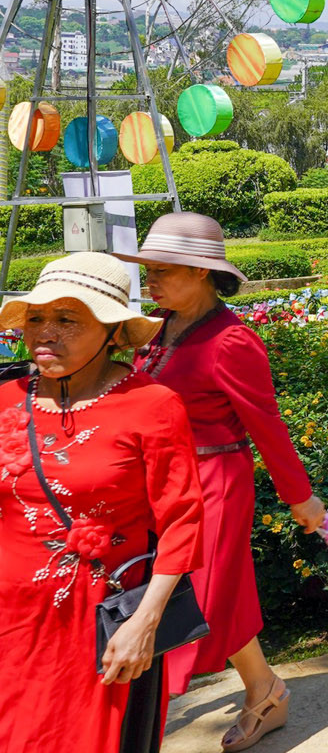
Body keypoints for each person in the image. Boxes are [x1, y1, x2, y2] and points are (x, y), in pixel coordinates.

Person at [115, 214, 327, 752]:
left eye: (163, 271)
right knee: (211, 594)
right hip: (163, 482)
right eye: (149, 270)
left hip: (216, 481)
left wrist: (301, 498)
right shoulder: (160, 328)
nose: (151, 281)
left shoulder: (233, 342)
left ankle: (133, 719)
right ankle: (265, 689)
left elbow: (267, 427)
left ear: (203, 273)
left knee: (190, 596)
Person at [0, 253, 204, 753]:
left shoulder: (152, 405)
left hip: (97, 626)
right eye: (36, 317)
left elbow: (182, 521)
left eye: (67, 320)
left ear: (113, 332)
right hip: (10, 621)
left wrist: (145, 623)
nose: (45, 332)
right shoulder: (5, 398)